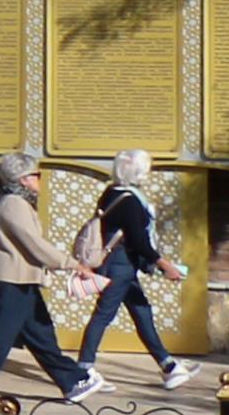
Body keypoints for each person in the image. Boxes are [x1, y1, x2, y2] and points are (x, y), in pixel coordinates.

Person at [0, 152, 99, 404]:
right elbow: (34, 244)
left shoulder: (17, 203)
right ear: (23, 179)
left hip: (23, 279)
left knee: (42, 334)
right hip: (13, 281)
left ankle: (72, 381)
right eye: (36, 175)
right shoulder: (13, 205)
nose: (40, 180)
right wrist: (72, 264)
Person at [75, 156, 197, 390]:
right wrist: (164, 265)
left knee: (141, 311)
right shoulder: (129, 201)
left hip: (122, 263)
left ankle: (168, 366)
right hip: (120, 265)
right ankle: (84, 369)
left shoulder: (112, 192)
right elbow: (139, 241)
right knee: (104, 314)